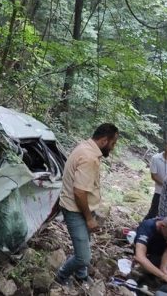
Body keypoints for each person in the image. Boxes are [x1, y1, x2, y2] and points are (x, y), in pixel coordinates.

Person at [55, 123, 119, 287]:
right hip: (75, 209)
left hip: (79, 207)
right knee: (83, 256)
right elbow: (79, 192)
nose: (113, 148)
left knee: (85, 242)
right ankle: (61, 276)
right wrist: (89, 218)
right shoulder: (89, 157)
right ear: (104, 141)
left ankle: (81, 274)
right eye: (113, 143)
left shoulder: (85, 147)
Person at [133, 216, 167, 284]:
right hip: (147, 254)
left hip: (159, 255)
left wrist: (164, 269)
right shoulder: (147, 227)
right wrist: (163, 276)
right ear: (162, 226)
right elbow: (139, 257)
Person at [143, 139, 167, 221]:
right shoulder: (155, 158)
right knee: (153, 213)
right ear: (166, 147)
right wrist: (165, 185)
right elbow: (154, 176)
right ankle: (141, 229)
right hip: (159, 191)